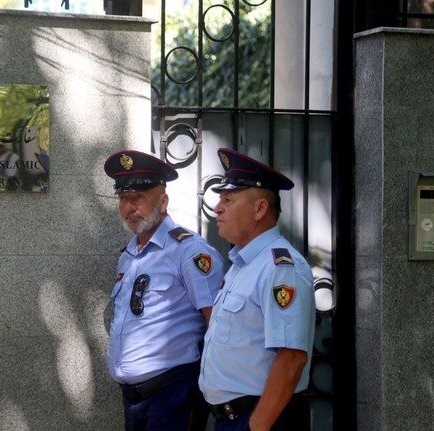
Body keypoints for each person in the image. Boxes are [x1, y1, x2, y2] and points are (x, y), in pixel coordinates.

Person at [104, 149, 225, 431]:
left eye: (139, 198)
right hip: (133, 398)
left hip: (174, 394)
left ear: (163, 201)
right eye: (123, 199)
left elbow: (215, 322)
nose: (129, 207)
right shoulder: (129, 255)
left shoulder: (189, 251)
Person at [199, 148, 315, 431]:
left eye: (228, 199)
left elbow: (291, 358)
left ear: (260, 208)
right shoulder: (242, 263)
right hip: (230, 419)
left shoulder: (279, 267)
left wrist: (255, 427)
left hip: (261, 419)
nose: (217, 208)